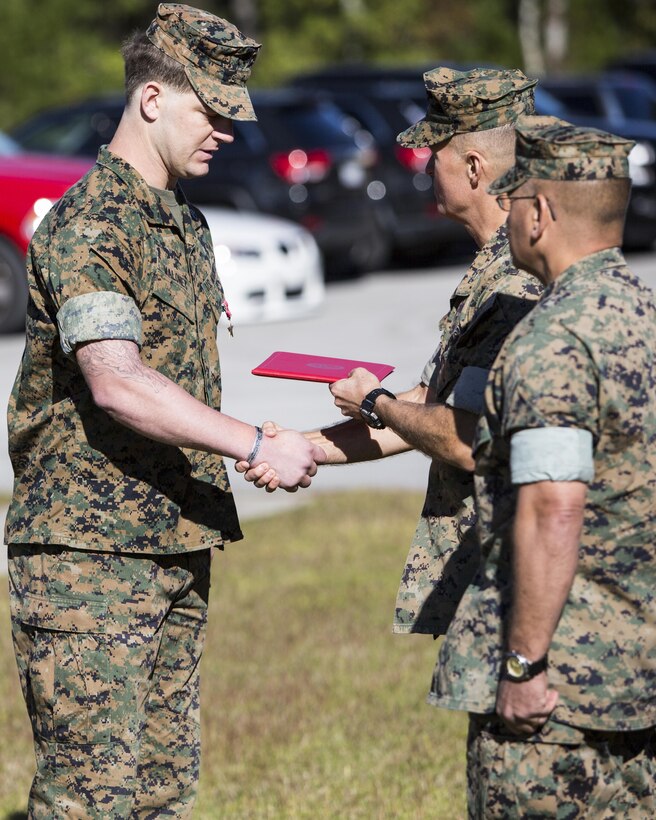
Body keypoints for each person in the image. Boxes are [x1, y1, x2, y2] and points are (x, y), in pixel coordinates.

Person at [5, 4, 324, 816]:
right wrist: (253, 441)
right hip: (89, 560)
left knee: (162, 794)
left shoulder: (181, 221)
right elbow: (114, 379)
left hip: (174, 538)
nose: (225, 131)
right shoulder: (89, 224)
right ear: (152, 99)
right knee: (89, 800)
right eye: (209, 111)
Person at [241, 67, 542, 639]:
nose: (427, 166)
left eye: (437, 153)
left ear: (474, 169)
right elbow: (427, 408)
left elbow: (461, 436)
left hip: (517, 576)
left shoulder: (515, 282)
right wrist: (300, 448)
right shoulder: (497, 268)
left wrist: (375, 399)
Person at [432, 117, 656, 816]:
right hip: (641, 686)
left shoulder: (552, 340)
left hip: (559, 708)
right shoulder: (643, 317)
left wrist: (525, 663)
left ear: (541, 212)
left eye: (515, 199)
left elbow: (553, 506)